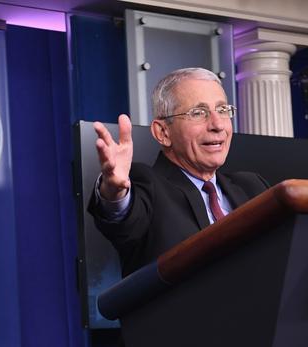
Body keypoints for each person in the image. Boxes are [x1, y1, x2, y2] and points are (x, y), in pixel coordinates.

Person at [88, 67, 270, 277]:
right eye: (199, 113)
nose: (217, 125)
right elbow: (124, 222)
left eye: (222, 110)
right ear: (163, 132)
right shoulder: (148, 184)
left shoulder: (252, 186)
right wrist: (114, 192)